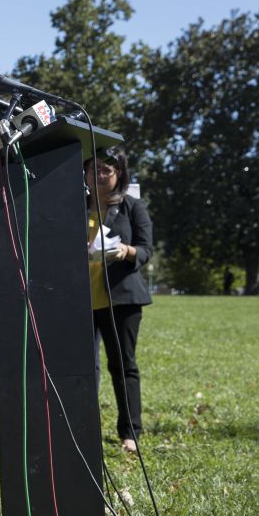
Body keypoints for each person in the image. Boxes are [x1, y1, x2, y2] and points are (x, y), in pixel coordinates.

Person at [86, 148, 152, 454]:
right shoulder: (73, 206)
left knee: (123, 365)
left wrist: (126, 251)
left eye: (106, 171)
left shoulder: (132, 207)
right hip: (80, 300)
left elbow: (146, 249)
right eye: (93, 169)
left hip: (121, 299)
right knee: (83, 367)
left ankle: (130, 432)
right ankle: (83, 426)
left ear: (119, 175)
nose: (98, 176)